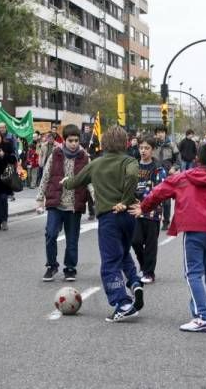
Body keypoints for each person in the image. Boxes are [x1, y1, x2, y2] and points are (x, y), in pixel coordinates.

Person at [130, 143, 206, 332]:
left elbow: (159, 191)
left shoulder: (185, 177)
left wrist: (144, 207)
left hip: (193, 231)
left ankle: (203, 316)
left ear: (197, 159)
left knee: (193, 273)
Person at [62, 126, 144, 323]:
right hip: (129, 215)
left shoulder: (96, 164)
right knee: (123, 253)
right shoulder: (129, 160)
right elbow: (133, 176)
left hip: (109, 216)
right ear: (125, 143)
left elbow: (76, 182)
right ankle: (134, 282)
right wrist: (126, 200)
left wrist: (65, 182)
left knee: (109, 262)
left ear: (105, 143)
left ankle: (122, 303)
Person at [37, 124, 91, 282]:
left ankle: (70, 268)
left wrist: (98, 201)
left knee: (72, 239)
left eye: (76, 140)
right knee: (51, 234)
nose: (74, 143)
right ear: (64, 140)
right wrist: (40, 199)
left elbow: (90, 181)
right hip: (56, 202)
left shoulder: (85, 157)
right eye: (70, 140)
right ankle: (51, 265)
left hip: (74, 205)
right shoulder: (56, 154)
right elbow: (46, 177)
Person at [132, 136, 167, 284]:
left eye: (146, 148)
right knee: (135, 240)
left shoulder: (158, 169)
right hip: (135, 210)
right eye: (141, 148)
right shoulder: (133, 166)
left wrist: (145, 199)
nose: (143, 151)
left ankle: (149, 272)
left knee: (151, 244)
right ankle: (143, 266)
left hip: (152, 212)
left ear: (153, 150)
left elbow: (160, 190)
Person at [153, 125, 181, 230]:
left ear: (165, 133)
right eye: (158, 132)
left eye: (162, 132)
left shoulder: (172, 145)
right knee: (153, 198)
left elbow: (178, 161)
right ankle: (154, 219)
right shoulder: (152, 145)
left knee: (166, 201)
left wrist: (174, 168)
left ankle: (166, 221)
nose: (160, 134)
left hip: (167, 176)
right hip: (154, 175)